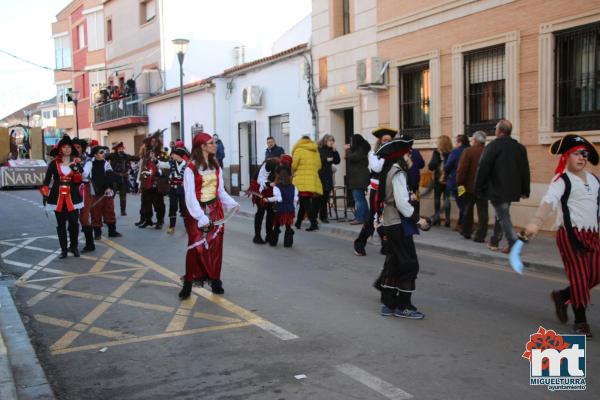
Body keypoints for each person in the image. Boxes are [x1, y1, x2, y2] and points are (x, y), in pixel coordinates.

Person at [523, 134, 599, 337]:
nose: (582, 157)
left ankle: (562, 295)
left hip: (592, 235)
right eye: (576, 154)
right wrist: (535, 223)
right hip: (570, 236)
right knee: (580, 277)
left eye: (584, 154)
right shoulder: (562, 180)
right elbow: (549, 201)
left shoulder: (593, 179)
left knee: (596, 273)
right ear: (566, 157)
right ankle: (581, 321)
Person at [179, 133, 239, 299]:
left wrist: (231, 203)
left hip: (215, 210)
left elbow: (219, 191)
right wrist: (200, 216)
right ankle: (188, 283)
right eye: (211, 143)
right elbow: (189, 196)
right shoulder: (190, 168)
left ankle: (215, 280)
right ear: (202, 147)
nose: (215, 145)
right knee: (195, 247)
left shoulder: (215, 165)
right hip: (197, 211)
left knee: (216, 247)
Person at [375, 137, 429, 318]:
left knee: (394, 262)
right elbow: (401, 204)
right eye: (408, 153)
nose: (410, 156)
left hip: (390, 222)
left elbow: (394, 198)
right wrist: (418, 219)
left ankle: (389, 303)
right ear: (402, 155)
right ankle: (404, 306)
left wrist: (407, 198)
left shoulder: (389, 171)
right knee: (408, 263)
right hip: (398, 223)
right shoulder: (397, 173)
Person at [475, 119, 530, 252]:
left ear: (499, 131)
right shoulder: (520, 148)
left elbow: (483, 168)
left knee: (503, 215)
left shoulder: (493, 146)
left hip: (497, 188)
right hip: (513, 189)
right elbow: (525, 170)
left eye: (496, 128)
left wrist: (478, 187)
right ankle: (494, 241)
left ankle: (513, 242)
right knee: (501, 214)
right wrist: (525, 190)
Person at [40, 135, 84, 258]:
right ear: (60, 149)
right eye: (64, 147)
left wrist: (75, 168)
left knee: (74, 224)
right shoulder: (53, 164)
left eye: (69, 147)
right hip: (57, 198)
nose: (67, 149)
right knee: (61, 225)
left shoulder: (76, 163)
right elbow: (46, 182)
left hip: (73, 198)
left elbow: (79, 180)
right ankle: (64, 250)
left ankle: (74, 247)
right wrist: (45, 196)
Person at [353, 127, 395, 256]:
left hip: (390, 189)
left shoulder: (394, 154)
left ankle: (386, 246)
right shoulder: (373, 154)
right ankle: (359, 244)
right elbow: (376, 168)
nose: (387, 142)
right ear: (380, 141)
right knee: (374, 218)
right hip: (376, 190)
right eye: (385, 140)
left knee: (387, 217)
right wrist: (385, 156)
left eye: (389, 140)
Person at [84, 145, 122, 239]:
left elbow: (110, 175)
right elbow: (84, 175)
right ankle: (97, 233)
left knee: (109, 212)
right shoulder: (90, 164)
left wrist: (108, 187)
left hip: (106, 192)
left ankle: (112, 231)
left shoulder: (106, 163)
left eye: (103, 152)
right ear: (95, 155)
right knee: (95, 214)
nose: (103, 154)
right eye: (101, 152)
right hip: (95, 193)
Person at [456, 131, 488, 242]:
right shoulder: (488, 151)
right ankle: (481, 235)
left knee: (467, 209)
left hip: (468, 186)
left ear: (475, 140)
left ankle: (466, 231)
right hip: (484, 187)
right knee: (483, 212)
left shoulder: (468, 151)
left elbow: (462, 170)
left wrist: (459, 183)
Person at [137, 132, 169, 229]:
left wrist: (157, 162)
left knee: (158, 203)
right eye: (152, 141)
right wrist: (139, 182)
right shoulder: (146, 153)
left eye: (155, 141)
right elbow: (142, 168)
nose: (153, 143)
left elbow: (167, 166)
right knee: (146, 202)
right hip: (146, 181)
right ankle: (148, 220)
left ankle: (160, 221)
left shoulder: (163, 153)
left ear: (158, 142)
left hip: (157, 182)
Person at [292, 135, 322, 231]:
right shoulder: (315, 150)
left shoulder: (298, 150)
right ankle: (298, 223)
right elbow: (319, 166)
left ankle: (314, 223)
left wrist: (292, 173)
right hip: (312, 179)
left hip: (301, 180)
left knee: (306, 202)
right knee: (304, 202)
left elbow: (293, 165)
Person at [72, 138, 95, 252]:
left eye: (78, 147)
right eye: (74, 147)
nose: (76, 150)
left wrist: (76, 164)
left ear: (82, 148)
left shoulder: (88, 160)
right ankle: (73, 245)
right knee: (72, 218)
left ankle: (90, 244)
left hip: (84, 188)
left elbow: (85, 174)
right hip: (71, 189)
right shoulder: (68, 159)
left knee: (84, 218)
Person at [266, 167, 298, 247]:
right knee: (288, 226)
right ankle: (288, 243)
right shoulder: (294, 187)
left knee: (276, 226)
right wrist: (293, 208)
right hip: (289, 210)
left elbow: (279, 199)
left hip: (280, 210)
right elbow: (295, 199)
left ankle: (273, 242)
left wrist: (268, 199)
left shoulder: (277, 187)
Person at [249, 157, 279, 244]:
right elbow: (260, 181)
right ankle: (257, 236)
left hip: (269, 189)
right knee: (261, 211)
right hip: (259, 189)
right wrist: (270, 184)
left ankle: (269, 235)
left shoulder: (277, 166)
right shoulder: (267, 166)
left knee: (271, 211)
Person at [444, 134, 469, 232]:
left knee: (461, 204)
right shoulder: (470, 150)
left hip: (457, 183)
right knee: (465, 203)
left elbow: (448, 166)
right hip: (468, 183)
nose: (455, 144)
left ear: (460, 142)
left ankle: (462, 224)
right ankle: (463, 223)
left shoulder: (456, 152)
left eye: (456, 142)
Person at [107, 142, 140, 216]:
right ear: (116, 149)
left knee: (123, 195)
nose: (121, 150)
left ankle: (123, 211)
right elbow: (104, 156)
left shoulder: (126, 156)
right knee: (112, 195)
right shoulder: (112, 155)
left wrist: (142, 154)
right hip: (115, 177)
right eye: (119, 148)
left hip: (123, 178)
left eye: (122, 148)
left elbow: (136, 158)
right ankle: (109, 211)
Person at [345, 134, 371, 225]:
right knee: (361, 199)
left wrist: (348, 150)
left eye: (351, 141)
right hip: (359, 178)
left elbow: (353, 157)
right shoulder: (361, 149)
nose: (350, 143)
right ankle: (366, 218)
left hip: (359, 178)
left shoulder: (360, 149)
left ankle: (359, 218)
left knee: (358, 199)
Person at [428, 135, 453, 226]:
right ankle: (447, 220)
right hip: (448, 180)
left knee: (437, 199)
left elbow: (431, 166)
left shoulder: (437, 153)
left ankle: (437, 219)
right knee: (447, 199)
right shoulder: (452, 153)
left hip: (438, 180)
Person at [317, 134, 341, 223]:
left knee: (325, 197)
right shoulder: (319, 149)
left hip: (328, 175)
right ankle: (316, 216)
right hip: (320, 175)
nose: (332, 142)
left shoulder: (332, 150)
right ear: (325, 141)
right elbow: (320, 160)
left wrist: (335, 151)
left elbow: (337, 161)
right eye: (330, 140)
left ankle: (323, 217)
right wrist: (327, 160)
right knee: (319, 197)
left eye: (333, 141)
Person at [166, 145, 190, 234]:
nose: (172, 155)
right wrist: (156, 161)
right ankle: (172, 227)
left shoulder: (187, 165)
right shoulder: (171, 163)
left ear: (178, 155)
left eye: (173, 154)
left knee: (184, 207)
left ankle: (187, 226)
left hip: (183, 189)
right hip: (173, 189)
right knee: (172, 207)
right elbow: (161, 164)